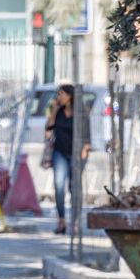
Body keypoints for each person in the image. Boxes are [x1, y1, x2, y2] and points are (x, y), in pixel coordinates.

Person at [40, 83, 88, 235]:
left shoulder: (81, 112)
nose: (58, 97)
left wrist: (84, 150)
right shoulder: (58, 111)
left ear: (70, 96)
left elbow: (87, 134)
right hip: (59, 152)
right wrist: (54, 110)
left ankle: (75, 222)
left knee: (74, 187)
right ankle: (61, 221)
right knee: (59, 186)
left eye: (61, 94)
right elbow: (48, 129)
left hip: (76, 153)